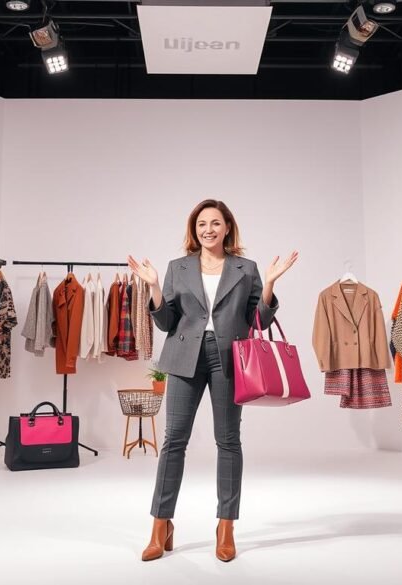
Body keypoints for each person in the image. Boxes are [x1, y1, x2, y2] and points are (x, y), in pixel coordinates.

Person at [127, 199, 298, 562]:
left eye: (215, 223)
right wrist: (155, 287)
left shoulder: (246, 268)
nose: (208, 229)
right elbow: (165, 322)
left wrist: (268, 284)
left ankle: (225, 527)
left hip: (229, 359)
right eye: (202, 224)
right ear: (194, 229)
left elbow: (260, 321)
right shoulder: (177, 268)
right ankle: (161, 526)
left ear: (227, 228)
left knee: (228, 441)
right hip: (184, 356)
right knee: (173, 441)